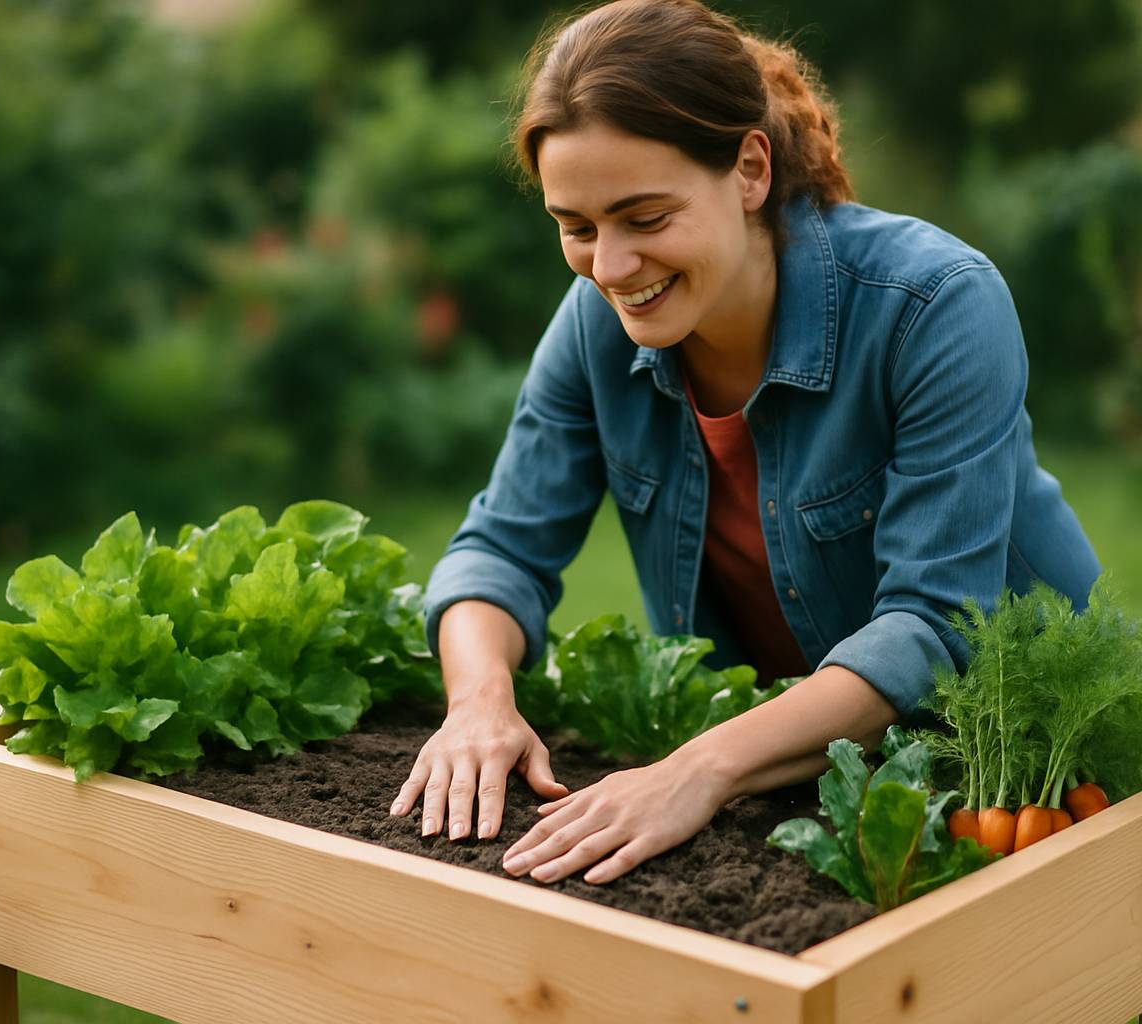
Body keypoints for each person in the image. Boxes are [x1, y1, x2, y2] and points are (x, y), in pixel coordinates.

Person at [389, 0, 1101, 886]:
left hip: (1022, 768)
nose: (609, 268)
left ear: (751, 169)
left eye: (645, 219)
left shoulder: (935, 305)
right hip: (796, 764)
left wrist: (695, 770)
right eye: (576, 227)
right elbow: (499, 551)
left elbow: (930, 627)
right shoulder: (596, 327)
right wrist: (480, 704)